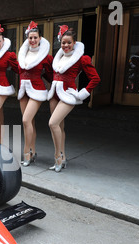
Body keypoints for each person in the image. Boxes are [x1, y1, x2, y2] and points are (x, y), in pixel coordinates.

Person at [47, 26, 100, 172]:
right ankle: (63, 158)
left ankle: (58, 156)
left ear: (74, 43)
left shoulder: (81, 58)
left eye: (69, 42)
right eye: (63, 43)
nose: (66, 45)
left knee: (52, 123)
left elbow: (95, 78)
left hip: (68, 94)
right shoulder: (59, 57)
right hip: (54, 94)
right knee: (59, 127)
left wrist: (82, 93)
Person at [18, 21, 53, 166]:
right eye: (30, 38)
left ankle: (27, 153)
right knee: (29, 122)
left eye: (35, 38)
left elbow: (51, 75)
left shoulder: (45, 56)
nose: (32, 40)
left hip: (37, 90)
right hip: (23, 90)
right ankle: (32, 151)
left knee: (26, 120)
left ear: (40, 39)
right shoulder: (22, 53)